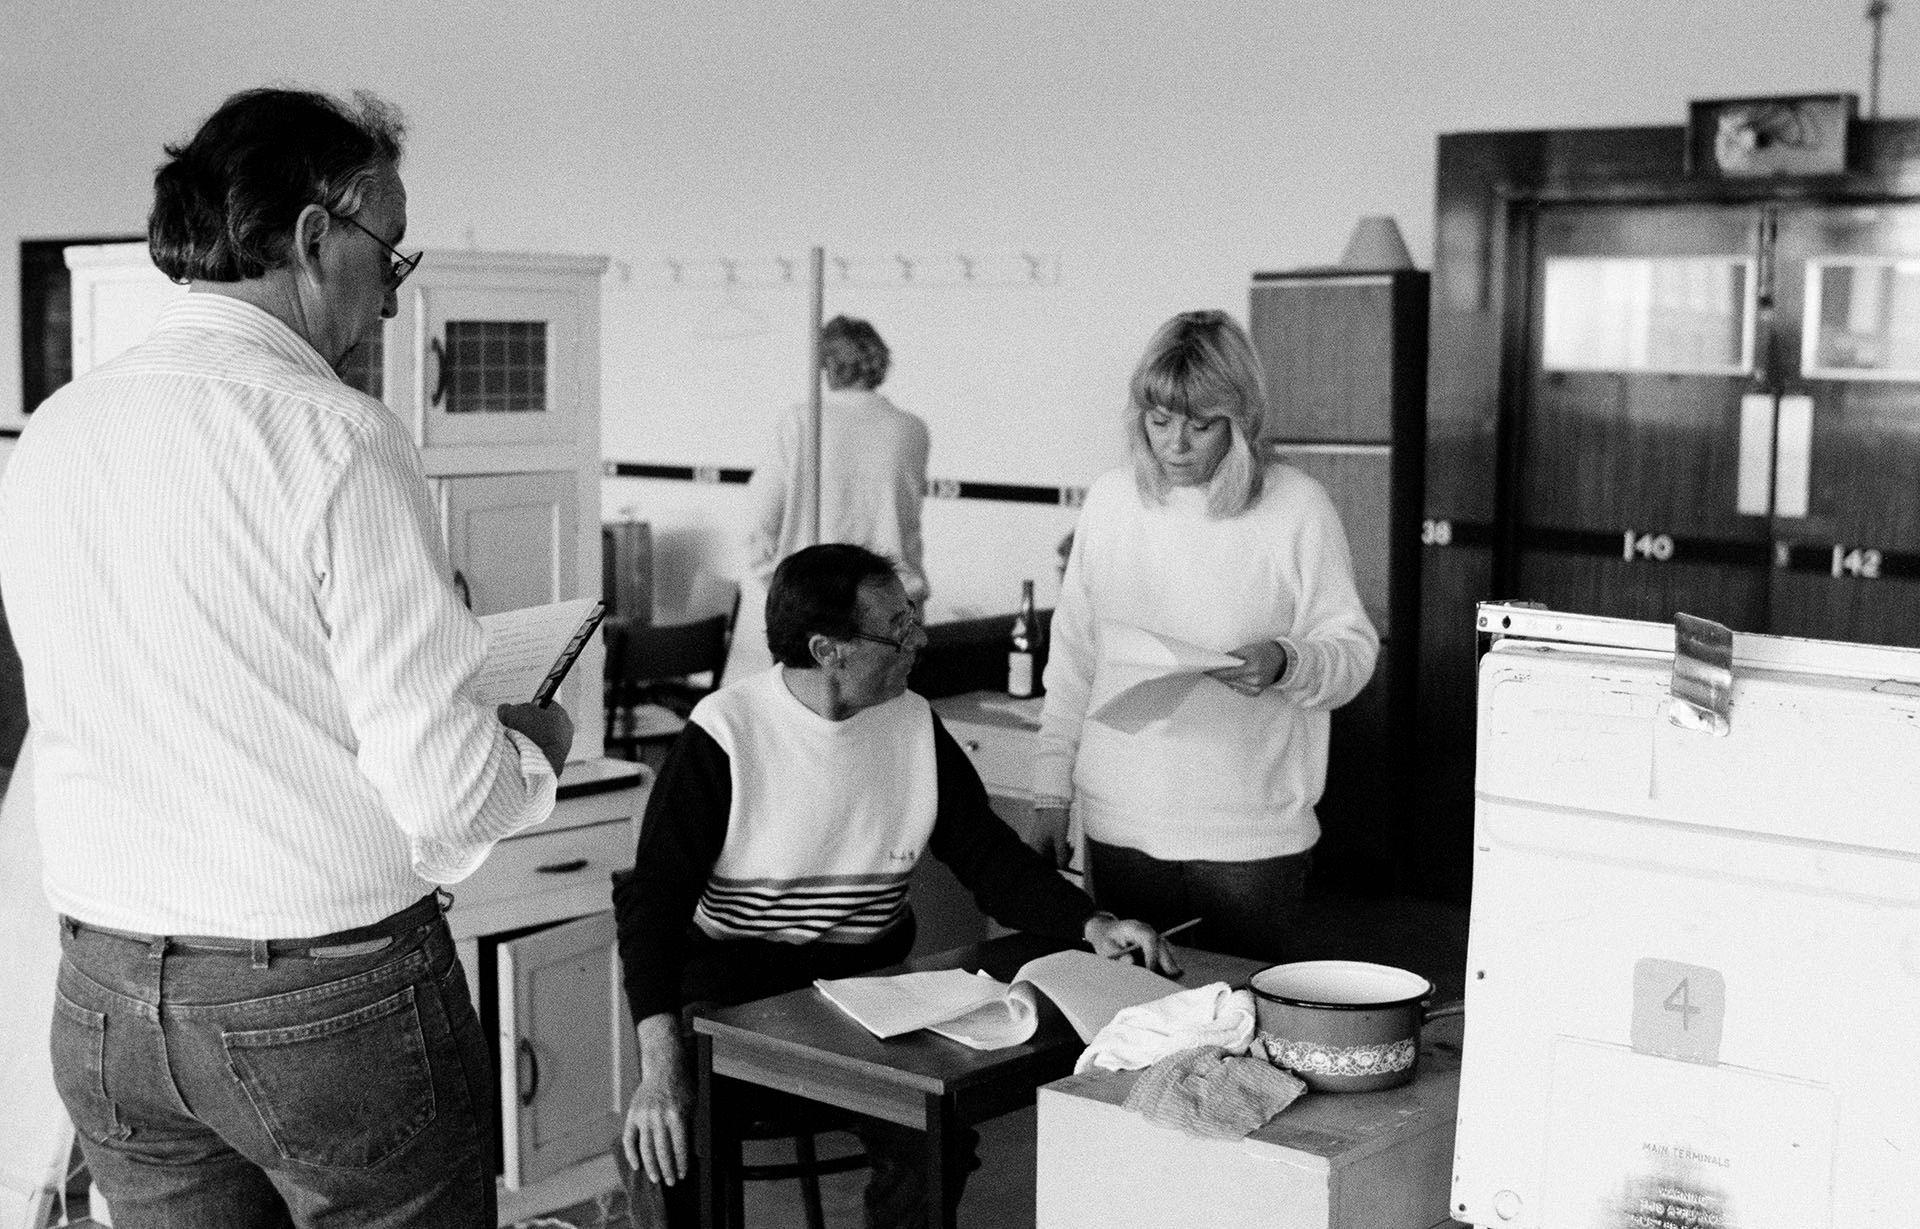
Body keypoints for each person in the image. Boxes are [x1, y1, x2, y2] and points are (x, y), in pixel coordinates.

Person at [0, 88, 573, 1229]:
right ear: (316, 235)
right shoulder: (335, 433)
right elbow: (450, 799)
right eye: (391, 254)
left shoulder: (56, 428)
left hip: (106, 992)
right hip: (319, 998)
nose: (395, 304)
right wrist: (531, 747)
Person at [614, 543, 1175, 1228]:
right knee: (663, 1145)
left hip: (868, 992)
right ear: (829, 650)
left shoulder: (912, 720)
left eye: (914, 618)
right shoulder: (725, 734)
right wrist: (659, 1064)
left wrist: (1091, 922)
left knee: (935, 1138)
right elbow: (652, 909)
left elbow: (988, 856)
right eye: (898, 628)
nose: (919, 639)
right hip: (733, 995)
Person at [1028, 310, 1378, 963]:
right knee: (1125, 1025)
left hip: (1248, 834)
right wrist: (1051, 789)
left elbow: (1354, 651)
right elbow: (1074, 653)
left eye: (1201, 424)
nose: (1176, 444)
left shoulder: (1296, 505)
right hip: (1121, 818)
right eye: (1159, 421)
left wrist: (1286, 660)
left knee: (1234, 1024)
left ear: (1242, 421)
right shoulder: (1110, 501)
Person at [724, 315, 931, 682]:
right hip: (896, 608)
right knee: (885, 725)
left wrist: (783, 589)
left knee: (809, 727)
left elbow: (757, 525)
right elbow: (909, 525)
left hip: (816, 612)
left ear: (828, 365)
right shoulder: (911, 429)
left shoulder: (801, 423)